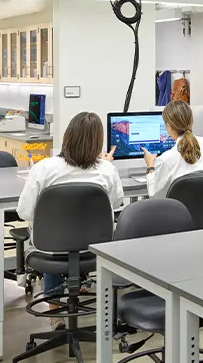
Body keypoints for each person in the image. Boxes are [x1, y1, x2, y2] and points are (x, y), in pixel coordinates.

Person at [17, 112, 124, 315]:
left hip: (50, 249)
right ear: (98, 142)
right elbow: (116, 203)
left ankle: (54, 311)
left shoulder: (44, 168)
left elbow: (24, 212)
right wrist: (106, 164)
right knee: (70, 236)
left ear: (67, 137)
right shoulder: (107, 170)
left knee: (56, 236)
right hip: (94, 249)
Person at [142, 100, 203, 198]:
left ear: (169, 127)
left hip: (178, 213)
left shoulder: (166, 159)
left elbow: (155, 196)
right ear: (191, 121)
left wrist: (150, 168)